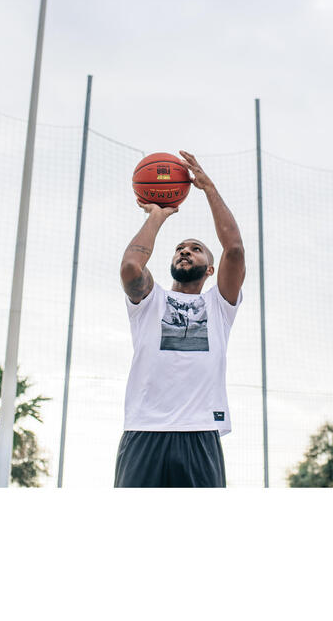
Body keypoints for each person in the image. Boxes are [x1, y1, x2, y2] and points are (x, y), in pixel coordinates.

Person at [115, 150, 246, 487]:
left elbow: (235, 249)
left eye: (196, 248)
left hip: (200, 431)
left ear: (211, 268)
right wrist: (158, 215)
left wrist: (209, 189)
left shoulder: (219, 304)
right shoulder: (150, 299)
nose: (185, 251)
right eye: (180, 248)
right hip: (144, 430)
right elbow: (131, 268)